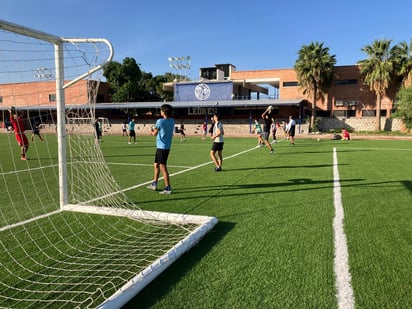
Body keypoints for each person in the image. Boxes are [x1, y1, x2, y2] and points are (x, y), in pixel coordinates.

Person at [147, 104, 175, 194]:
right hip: (164, 147)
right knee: (156, 165)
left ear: (164, 112)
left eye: (161, 110)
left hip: (162, 147)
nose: (160, 111)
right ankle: (154, 183)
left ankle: (168, 188)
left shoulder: (159, 121)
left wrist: (150, 131)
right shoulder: (172, 121)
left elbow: (154, 133)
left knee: (163, 167)